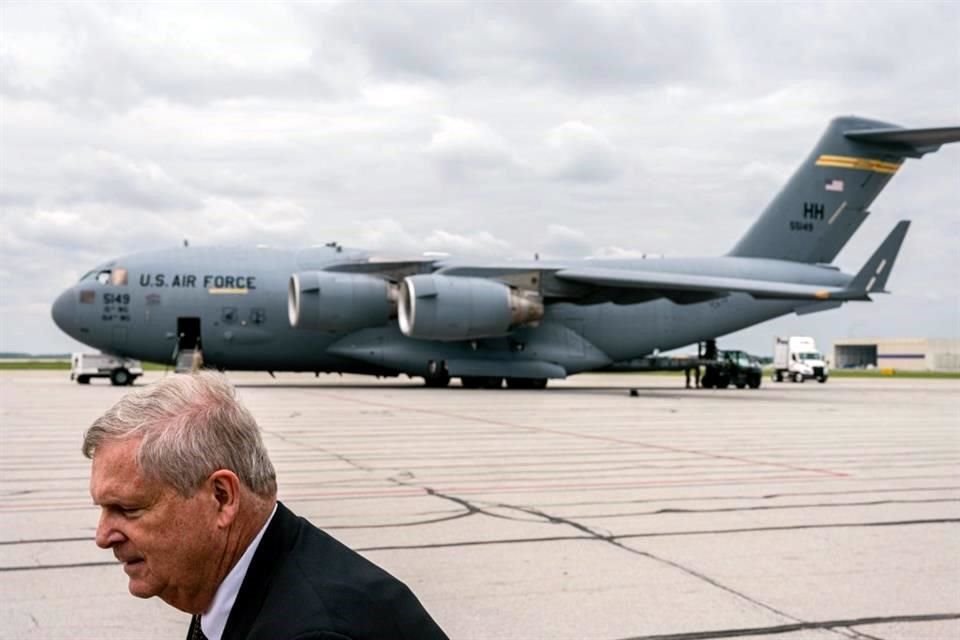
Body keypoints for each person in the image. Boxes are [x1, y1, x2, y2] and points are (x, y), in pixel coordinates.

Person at [83, 371, 448, 640]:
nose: (103, 536)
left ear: (222, 498)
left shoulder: (313, 632)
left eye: (128, 510)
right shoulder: (237, 574)